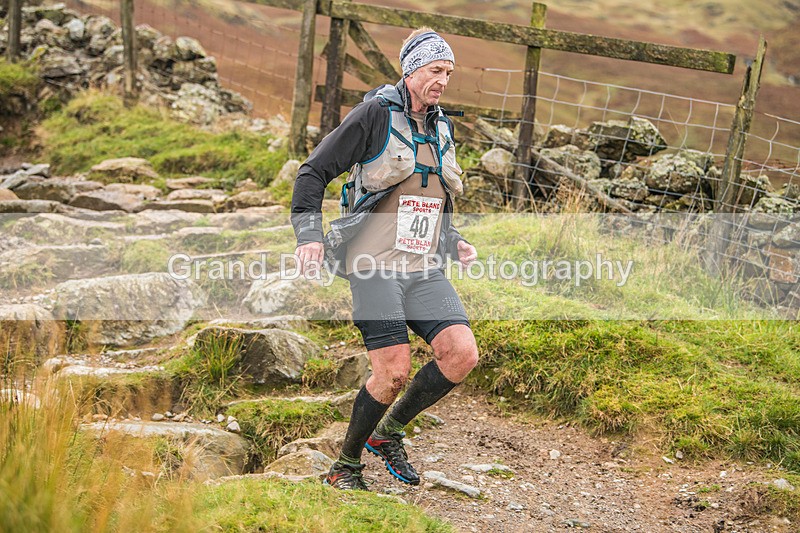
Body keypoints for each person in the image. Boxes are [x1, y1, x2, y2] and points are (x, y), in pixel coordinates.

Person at [291, 27, 479, 491]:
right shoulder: (375, 114)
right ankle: (345, 466)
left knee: (460, 354)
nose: (443, 81)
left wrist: (453, 240)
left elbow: (429, 192)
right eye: (436, 70)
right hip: (372, 265)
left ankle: (387, 433)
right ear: (411, 68)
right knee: (393, 371)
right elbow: (313, 172)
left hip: (422, 267)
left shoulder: (441, 126)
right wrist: (308, 236)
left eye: (449, 73)